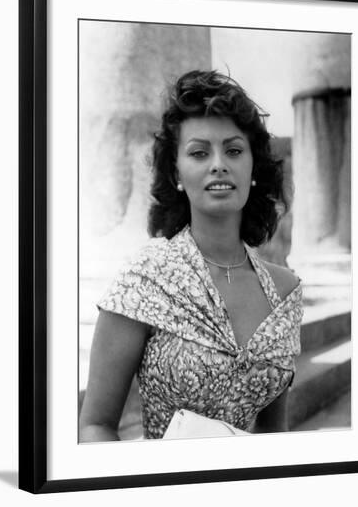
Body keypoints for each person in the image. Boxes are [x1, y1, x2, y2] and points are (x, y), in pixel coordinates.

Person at [79, 70, 303, 442]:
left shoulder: (285, 292)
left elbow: (273, 434)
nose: (219, 163)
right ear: (177, 173)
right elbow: (96, 425)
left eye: (233, 150)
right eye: (200, 152)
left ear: (252, 170)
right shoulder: (144, 281)